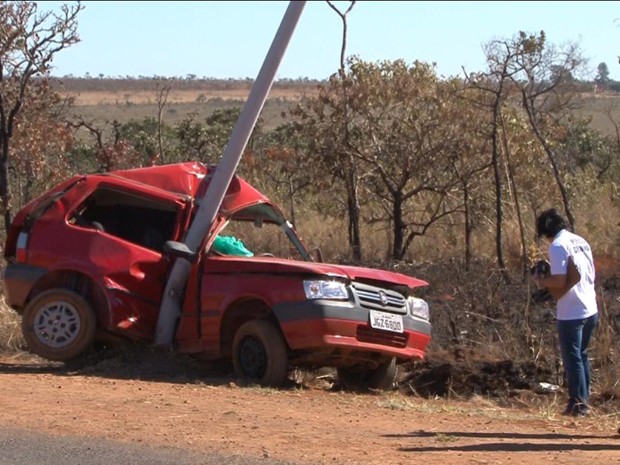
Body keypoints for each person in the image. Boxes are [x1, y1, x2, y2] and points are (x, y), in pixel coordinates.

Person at [534, 208, 598, 417]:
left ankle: (579, 404)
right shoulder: (580, 241)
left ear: (545, 232)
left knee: (572, 358)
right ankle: (583, 399)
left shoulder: (558, 245)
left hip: (571, 310)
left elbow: (561, 280)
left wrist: (541, 280)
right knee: (582, 355)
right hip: (590, 307)